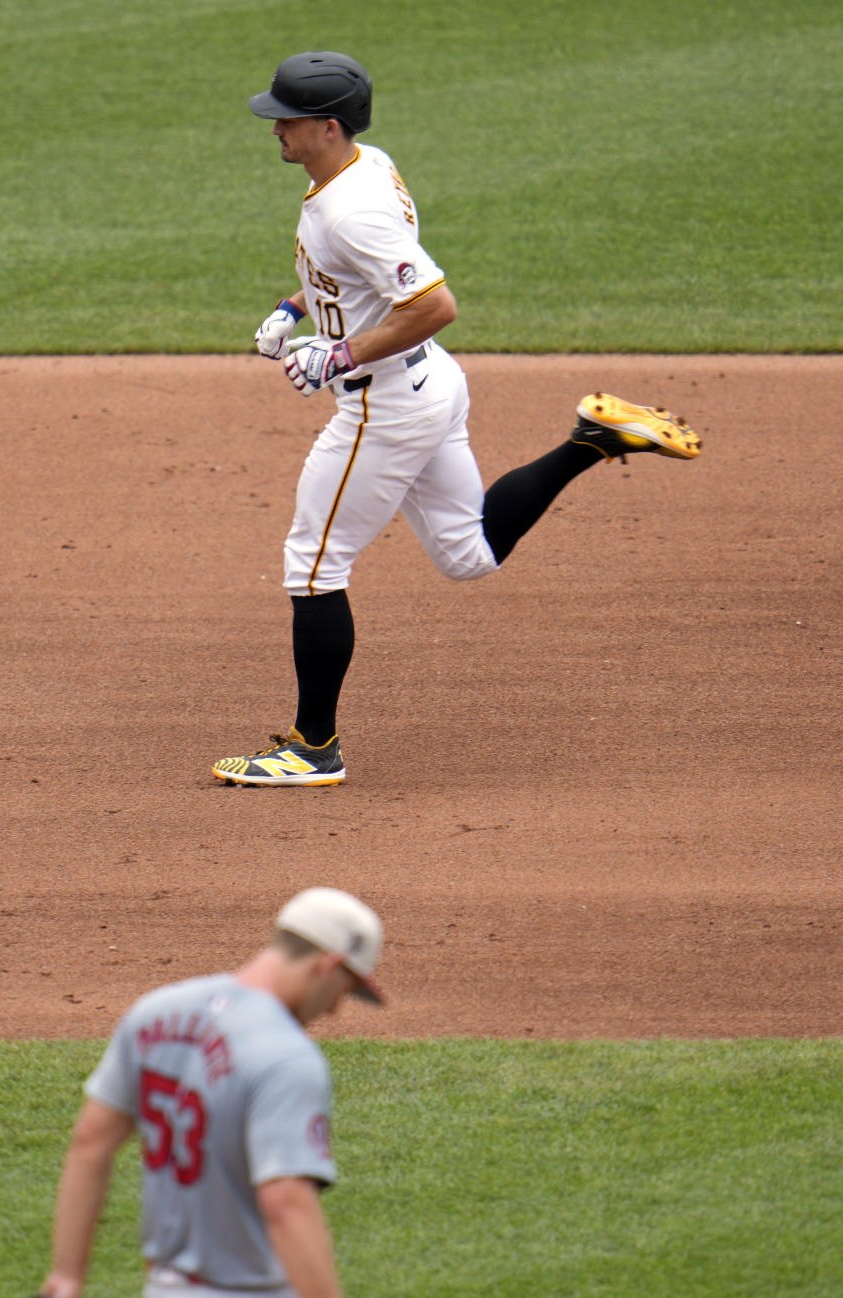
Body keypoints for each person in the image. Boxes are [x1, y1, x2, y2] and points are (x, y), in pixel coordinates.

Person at [212, 51, 701, 788]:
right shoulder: (360, 167)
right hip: (430, 385)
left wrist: (338, 355)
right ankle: (592, 440)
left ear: (329, 126)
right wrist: (294, 308)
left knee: (312, 565)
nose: (274, 127)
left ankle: (313, 750)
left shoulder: (354, 206)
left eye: (288, 118)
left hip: (385, 405)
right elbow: (351, 273)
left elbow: (435, 305)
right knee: (468, 555)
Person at [40, 887, 384, 1298]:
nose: (340, 1007)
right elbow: (286, 1204)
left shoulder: (159, 1011)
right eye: (347, 987)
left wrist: (65, 1281)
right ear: (329, 964)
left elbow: (90, 1141)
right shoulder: (288, 1058)